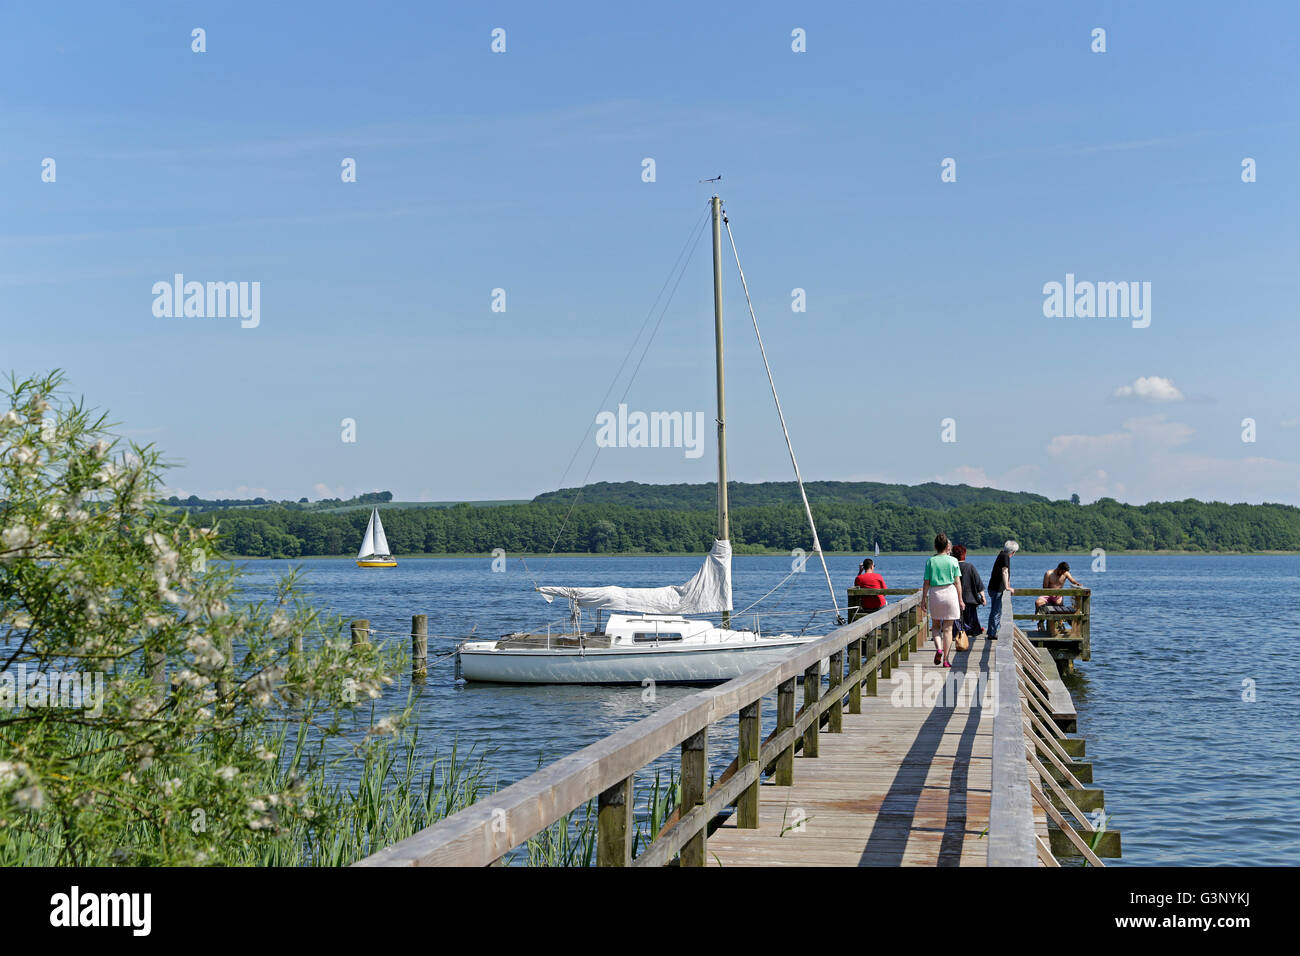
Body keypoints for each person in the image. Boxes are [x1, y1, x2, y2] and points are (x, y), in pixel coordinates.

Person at [920, 533, 963, 668]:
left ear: (935, 546)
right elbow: (957, 582)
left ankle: (938, 648)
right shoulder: (953, 561)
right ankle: (946, 659)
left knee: (936, 626)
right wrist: (961, 599)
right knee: (948, 629)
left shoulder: (931, 561)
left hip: (936, 594)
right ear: (947, 546)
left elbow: (926, 582)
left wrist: (923, 600)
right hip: (950, 593)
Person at [1035, 562, 1082, 631]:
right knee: (1038, 602)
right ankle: (1041, 622)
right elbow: (1044, 587)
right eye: (1062, 571)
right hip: (1047, 594)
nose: (1063, 573)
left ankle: (1059, 623)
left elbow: (1072, 580)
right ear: (1058, 568)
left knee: (1058, 604)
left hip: (1058, 596)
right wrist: (1052, 592)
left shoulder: (1066, 573)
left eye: (1064, 572)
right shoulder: (1049, 573)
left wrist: (1077, 583)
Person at [986, 540, 1018, 639]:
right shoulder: (1005, 556)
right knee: (996, 611)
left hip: (994, 587)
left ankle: (991, 631)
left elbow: (1006, 574)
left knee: (996, 611)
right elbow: (1005, 572)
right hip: (997, 589)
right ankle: (992, 633)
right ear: (1012, 552)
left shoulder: (1001, 554)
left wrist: (1008, 585)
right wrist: (1007, 587)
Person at [953, 544, 984, 637]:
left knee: (958, 622)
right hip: (970, 599)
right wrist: (983, 597)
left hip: (956, 599)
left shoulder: (953, 566)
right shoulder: (970, 567)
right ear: (964, 554)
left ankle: (957, 634)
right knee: (972, 625)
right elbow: (978, 583)